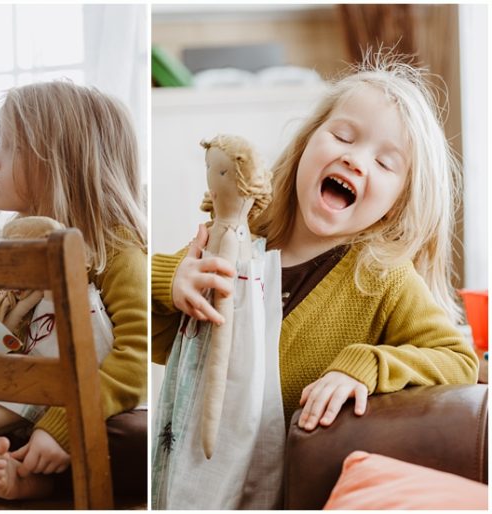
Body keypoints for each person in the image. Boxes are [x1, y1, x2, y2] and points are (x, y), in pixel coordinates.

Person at [153, 54, 478, 439]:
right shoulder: (235, 232)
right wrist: (170, 281)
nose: (355, 160)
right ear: (306, 144)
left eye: (385, 163)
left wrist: (367, 365)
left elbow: (459, 361)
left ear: (395, 207)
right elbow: (145, 326)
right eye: (343, 137)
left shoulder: (384, 279)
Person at [0, 81, 148, 500]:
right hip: (17, 406)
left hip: (89, 410)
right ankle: (10, 461)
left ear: (59, 164)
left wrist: (64, 427)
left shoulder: (116, 249)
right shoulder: (1, 253)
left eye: (10, 146)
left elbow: (133, 365)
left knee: (136, 437)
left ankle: (35, 473)